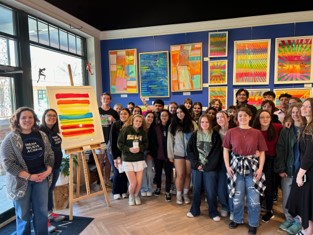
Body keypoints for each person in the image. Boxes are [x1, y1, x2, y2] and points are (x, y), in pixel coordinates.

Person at [0, 107, 54, 235]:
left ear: (34, 119)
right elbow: (7, 164)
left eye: (30, 117)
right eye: (23, 117)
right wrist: (29, 177)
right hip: (20, 181)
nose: (27, 120)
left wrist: (47, 171)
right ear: (17, 120)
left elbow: (50, 154)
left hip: (41, 179)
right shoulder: (10, 139)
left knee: (41, 212)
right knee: (23, 215)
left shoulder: (41, 135)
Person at [223, 107, 267, 235]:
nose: (242, 118)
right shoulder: (231, 132)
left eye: (245, 115)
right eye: (240, 115)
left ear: (250, 117)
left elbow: (262, 152)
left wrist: (260, 169)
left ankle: (253, 223)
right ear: (237, 118)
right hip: (236, 168)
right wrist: (227, 166)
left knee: (254, 199)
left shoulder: (256, 133)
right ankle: (237, 219)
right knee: (237, 197)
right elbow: (226, 149)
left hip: (252, 168)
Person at [275, 103, 306, 234]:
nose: (296, 114)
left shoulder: (308, 129)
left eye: (298, 111)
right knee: (287, 196)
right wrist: (281, 168)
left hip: (303, 170)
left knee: (301, 198)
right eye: (293, 112)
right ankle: (289, 218)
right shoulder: (286, 130)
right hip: (288, 168)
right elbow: (280, 149)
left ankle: (299, 221)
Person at [186, 114, 222, 222]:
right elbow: (190, 151)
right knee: (196, 189)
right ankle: (194, 210)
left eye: (207, 122)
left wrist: (207, 167)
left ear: (210, 123)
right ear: (199, 123)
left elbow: (216, 153)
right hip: (197, 167)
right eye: (202, 122)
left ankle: (213, 212)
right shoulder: (195, 135)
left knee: (211, 191)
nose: (204, 124)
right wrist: (197, 164)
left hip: (210, 168)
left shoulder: (215, 135)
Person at [286, 98, 313, 235]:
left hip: (308, 171)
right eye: (304, 105)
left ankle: (307, 231)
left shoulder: (311, 128)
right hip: (304, 170)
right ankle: (306, 230)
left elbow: (310, 154)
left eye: (308, 106)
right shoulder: (305, 126)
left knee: (306, 204)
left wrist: (300, 174)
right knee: (303, 204)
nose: (304, 108)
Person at [252, 109, 283, 223]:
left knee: (269, 187)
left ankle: (269, 211)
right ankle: (257, 208)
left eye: (267, 117)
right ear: (257, 119)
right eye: (262, 117)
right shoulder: (254, 131)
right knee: (257, 186)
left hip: (271, 161)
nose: (265, 119)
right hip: (257, 161)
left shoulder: (277, 128)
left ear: (271, 118)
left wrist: (288, 121)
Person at [39, 108, 65, 228]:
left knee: (49, 190)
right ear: (44, 117)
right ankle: (44, 222)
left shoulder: (54, 132)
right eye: (49, 115)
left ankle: (49, 213)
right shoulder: (40, 131)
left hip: (56, 166)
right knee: (43, 193)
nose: (52, 118)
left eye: (54, 116)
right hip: (45, 168)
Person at [167, 105, 198, 205]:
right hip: (178, 153)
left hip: (190, 154)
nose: (179, 114)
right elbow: (170, 141)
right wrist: (170, 155)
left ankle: (185, 194)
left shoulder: (192, 124)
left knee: (188, 175)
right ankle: (179, 195)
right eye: (177, 112)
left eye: (181, 112)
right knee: (180, 175)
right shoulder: (173, 125)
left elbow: (197, 139)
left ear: (185, 112)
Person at [117, 114, 148, 206]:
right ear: (132, 121)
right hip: (127, 159)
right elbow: (119, 144)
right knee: (133, 182)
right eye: (136, 121)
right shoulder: (126, 130)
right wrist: (129, 149)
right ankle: (131, 196)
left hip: (139, 159)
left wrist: (140, 148)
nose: (138, 123)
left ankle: (136, 195)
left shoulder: (143, 132)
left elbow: (146, 144)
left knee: (139, 182)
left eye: (140, 121)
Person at [214, 110, 237, 220]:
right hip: (220, 162)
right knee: (221, 186)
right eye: (217, 118)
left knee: (232, 187)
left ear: (228, 118)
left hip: (234, 161)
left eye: (222, 117)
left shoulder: (235, 130)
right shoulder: (215, 131)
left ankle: (233, 209)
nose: (219, 120)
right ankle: (225, 206)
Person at [98, 92, 120, 187]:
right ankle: (100, 180)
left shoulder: (114, 112)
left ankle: (107, 180)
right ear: (101, 99)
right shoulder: (97, 110)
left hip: (110, 140)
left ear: (110, 100)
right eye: (104, 98)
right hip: (100, 139)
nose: (106, 100)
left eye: (108, 99)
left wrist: (114, 120)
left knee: (108, 161)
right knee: (100, 160)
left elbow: (119, 125)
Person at [109, 108, 131, 200]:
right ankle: (116, 191)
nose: (123, 116)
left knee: (125, 172)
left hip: (126, 153)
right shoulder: (115, 125)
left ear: (129, 115)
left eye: (125, 114)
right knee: (117, 172)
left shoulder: (131, 125)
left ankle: (123, 191)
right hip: (114, 152)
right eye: (121, 114)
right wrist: (116, 157)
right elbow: (113, 142)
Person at [153, 109, 173, 201]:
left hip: (169, 155)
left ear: (169, 117)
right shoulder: (156, 127)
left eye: (166, 115)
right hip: (158, 155)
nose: (164, 117)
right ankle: (158, 187)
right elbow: (153, 141)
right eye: (162, 115)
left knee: (168, 173)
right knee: (158, 173)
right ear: (159, 117)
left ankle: (168, 191)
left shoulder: (172, 127)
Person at [141, 111, 157, 196]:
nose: (150, 118)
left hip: (150, 153)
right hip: (140, 153)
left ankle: (150, 188)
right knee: (142, 172)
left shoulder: (154, 129)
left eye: (152, 117)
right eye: (148, 116)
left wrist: (151, 154)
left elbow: (155, 143)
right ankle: (143, 188)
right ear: (145, 117)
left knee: (150, 172)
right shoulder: (140, 128)